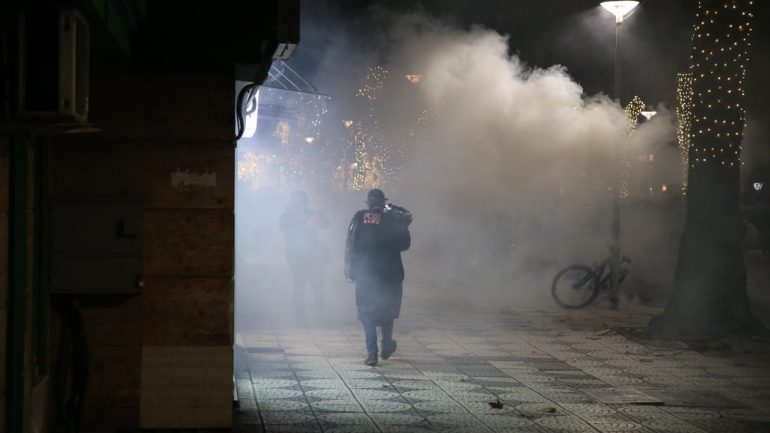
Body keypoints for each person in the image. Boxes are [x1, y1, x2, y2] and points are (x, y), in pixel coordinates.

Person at [345, 189, 411, 366]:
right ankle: (387, 344)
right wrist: (404, 226)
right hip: (391, 274)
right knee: (387, 310)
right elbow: (405, 245)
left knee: (367, 314)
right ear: (384, 203)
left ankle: (372, 353)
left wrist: (349, 270)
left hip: (365, 272)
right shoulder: (394, 218)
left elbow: (350, 244)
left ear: (367, 202)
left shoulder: (359, 217)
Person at [279, 191, 329, 324]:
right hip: (297, 257)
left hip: (314, 257)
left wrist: (318, 214)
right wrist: (306, 223)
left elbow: (325, 224)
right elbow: (287, 230)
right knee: (299, 290)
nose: (301, 204)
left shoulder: (311, 214)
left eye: (302, 201)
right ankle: (300, 319)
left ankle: (320, 318)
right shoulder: (286, 216)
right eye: (298, 201)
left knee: (318, 288)